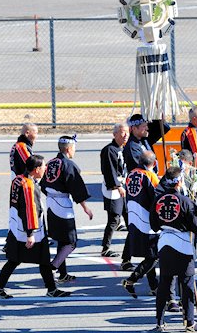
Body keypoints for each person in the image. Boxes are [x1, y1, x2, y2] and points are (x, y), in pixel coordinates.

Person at [0, 155, 71, 299]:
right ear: (36, 170)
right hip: (31, 230)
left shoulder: (18, 180)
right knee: (40, 259)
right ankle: (51, 289)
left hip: (17, 228)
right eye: (43, 167)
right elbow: (30, 210)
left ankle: (0, 287)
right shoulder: (28, 185)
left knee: (17, 260)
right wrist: (30, 233)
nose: (45, 169)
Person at [150, 166, 197, 332]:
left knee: (164, 283)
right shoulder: (185, 201)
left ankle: (159, 322)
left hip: (165, 242)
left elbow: (154, 225)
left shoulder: (158, 200)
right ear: (179, 181)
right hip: (182, 243)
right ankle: (190, 322)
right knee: (187, 283)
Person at [41, 135, 93, 282]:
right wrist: (85, 207)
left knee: (61, 240)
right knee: (71, 242)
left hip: (51, 203)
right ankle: (52, 267)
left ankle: (63, 274)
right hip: (63, 205)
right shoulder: (68, 165)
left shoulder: (50, 163)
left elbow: (43, 185)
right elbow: (76, 187)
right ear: (69, 149)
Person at [122, 151, 160, 298]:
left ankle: (154, 286)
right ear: (154, 163)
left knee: (148, 254)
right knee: (154, 256)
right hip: (146, 220)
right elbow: (157, 197)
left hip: (133, 218)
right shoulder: (150, 176)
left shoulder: (131, 174)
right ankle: (131, 279)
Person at [100, 122, 129, 258]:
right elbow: (109, 171)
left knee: (128, 216)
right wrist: (118, 186)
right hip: (114, 187)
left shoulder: (121, 149)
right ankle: (105, 248)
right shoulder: (109, 150)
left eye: (127, 132)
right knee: (113, 219)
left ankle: (132, 245)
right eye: (122, 132)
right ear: (115, 134)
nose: (125, 136)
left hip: (123, 185)